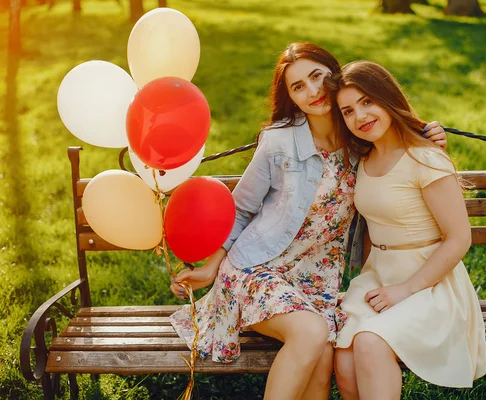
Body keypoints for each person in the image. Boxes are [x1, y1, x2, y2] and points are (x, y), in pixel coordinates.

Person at [168, 43, 447, 400]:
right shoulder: (278, 142)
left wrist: (428, 136)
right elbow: (240, 209)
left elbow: (401, 153)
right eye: (298, 86)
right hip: (255, 270)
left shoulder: (361, 137)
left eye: (317, 76)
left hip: (315, 281)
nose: (312, 91)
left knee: (322, 354)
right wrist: (210, 269)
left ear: (335, 73)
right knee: (313, 332)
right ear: (292, 98)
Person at [325, 60, 486, 400]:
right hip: (378, 279)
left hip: (430, 286)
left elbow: (459, 238)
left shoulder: (425, 158)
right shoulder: (364, 161)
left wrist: (406, 289)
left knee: (370, 341)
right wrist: (362, 286)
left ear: (387, 98)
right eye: (348, 111)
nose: (360, 116)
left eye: (368, 101)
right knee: (344, 350)